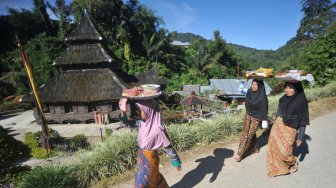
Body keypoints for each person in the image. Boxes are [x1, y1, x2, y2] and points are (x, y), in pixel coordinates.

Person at [119, 98, 182, 188]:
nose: (138, 113)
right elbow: (126, 124)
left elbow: (168, 146)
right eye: (138, 110)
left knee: (143, 184)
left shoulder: (158, 129)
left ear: (149, 111)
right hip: (141, 160)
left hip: (150, 161)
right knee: (151, 180)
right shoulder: (141, 123)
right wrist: (123, 111)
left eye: (141, 111)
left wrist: (176, 162)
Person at [267, 81, 309, 177]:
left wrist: (300, 136)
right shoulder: (283, 99)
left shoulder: (301, 101)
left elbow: (303, 120)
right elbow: (279, 112)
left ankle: (292, 162)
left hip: (291, 127)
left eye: (290, 88)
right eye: (286, 87)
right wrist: (276, 123)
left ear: (296, 89)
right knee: (273, 145)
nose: (287, 90)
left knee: (285, 150)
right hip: (279, 123)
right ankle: (275, 168)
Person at [234, 79, 268, 162]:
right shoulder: (249, 92)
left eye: (256, 85)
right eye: (252, 84)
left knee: (248, 135)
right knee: (246, 133)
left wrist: (264, 121)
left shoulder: (263, 98)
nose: (253, 86)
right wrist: (242, 82)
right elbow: (241, 90)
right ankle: (255, 148)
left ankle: (240, 153)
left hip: (257, 118)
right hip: (248, 115)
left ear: (260, 86)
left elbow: (264, 110)